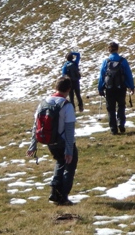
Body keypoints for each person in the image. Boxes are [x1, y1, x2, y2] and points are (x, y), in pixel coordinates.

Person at [26, 77, 78, 205]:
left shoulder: (43, 103)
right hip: (64, 141)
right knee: (69, 167)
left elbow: (36, 126)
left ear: (56, 87)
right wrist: (69, 150)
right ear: (68, 89)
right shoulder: (66, 105)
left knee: (60, 162)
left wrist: (33, 145)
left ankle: (54, 192)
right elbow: (69, 130)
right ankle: (63, 197)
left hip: (50, 141)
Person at [98, 41, 135, 135]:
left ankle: (113, 129)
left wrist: (100, 88)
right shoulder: (123, 61)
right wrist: (131, 86)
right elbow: (128, 74)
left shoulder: (106, 61)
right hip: (121, 87)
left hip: (109, 88)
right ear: (117, 49)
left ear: (109, 50)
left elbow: (102, 76)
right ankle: (121, 123)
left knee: (111, 109)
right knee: (121, 106)